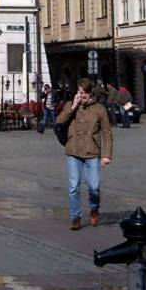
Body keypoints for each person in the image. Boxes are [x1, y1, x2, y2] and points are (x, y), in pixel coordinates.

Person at [55, 79, 113, 231]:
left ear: (91, 93)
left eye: (86, 93)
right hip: (73, 151)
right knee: (73, 187)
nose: (83, 96)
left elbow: (107, 133)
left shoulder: (99, 109)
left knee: (94, 187)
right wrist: (72, 107)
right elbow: (59, 122)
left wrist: (106, 155)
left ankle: (94, 208)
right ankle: (75, 217)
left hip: (92, 152)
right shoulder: (70, 105)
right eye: (81, 92)